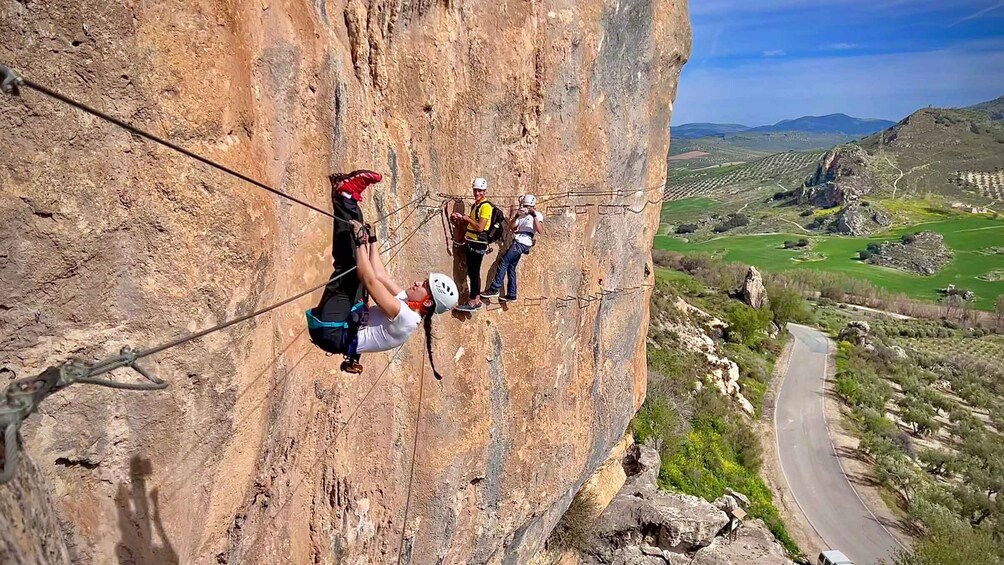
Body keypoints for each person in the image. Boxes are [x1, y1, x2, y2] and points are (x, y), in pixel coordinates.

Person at [307, 171, 459, 373]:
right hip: (348, 321)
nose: (416, 283)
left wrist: (361, 243)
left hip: (332, 332)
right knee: (356, 256)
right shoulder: (409, 303)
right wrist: (371, 241)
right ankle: (348, 198)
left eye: (423, 286)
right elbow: (380, 276)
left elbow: (369, 281)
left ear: (428, 302)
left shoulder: (406, 318)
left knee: (350, 268)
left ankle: (344, 197)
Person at [481, 194, 543, 303]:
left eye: (529, 207)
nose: (527, 209)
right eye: (526, 206)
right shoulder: (521, 215)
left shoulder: (537, 215)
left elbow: (540, 230)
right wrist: (516, 216)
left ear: (533, 207)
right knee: (511, 267)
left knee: (504, 262)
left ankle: (494, 288)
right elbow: (511, 227)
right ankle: (512, 294)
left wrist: (534, 216)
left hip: (522, 243)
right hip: (519, 241)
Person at [450, 177, 493, 312]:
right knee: (472, 272)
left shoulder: (485, 207)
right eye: (475, 190)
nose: (477, 193)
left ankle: (473, 300)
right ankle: (476, 299)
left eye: (480, 191)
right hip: (472, 242)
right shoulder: (476, 205)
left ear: (484, 191)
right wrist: (462, 218)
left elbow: (480, 227)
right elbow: (473, 225)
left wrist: (467, 218)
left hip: (478, 244)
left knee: (474, 273)